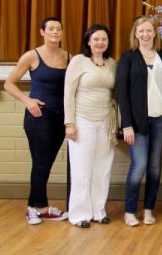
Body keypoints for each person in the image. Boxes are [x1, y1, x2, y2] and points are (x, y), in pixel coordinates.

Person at [4, 17, 69, 224]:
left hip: (61, 117)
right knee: (41, 162)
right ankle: (40, 207)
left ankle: (33, 207)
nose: (55, 32)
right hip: (39, 116)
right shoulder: (32, 56)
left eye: (58, 29)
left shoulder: (69, 57)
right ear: (42, 32)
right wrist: (27, 100)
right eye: (50, 29)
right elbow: (9, 84)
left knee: (46, 163)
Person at [116, 16, 162, 227]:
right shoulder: (128, 58)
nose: (145, 35)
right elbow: (121, 93)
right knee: (139, 165)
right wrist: (127, 125)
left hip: (160, 120)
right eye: (141, 31)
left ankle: (149, 209)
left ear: (155, 34)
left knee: (154, 167)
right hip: (137, 123)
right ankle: (130, 211)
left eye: (149, 31)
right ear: (135, 34)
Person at [64, 24, 117, 228]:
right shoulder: (78, 61)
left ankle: (98, 210)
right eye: (96, 39)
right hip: (82, 119)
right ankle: (79, 214)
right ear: (88, 41)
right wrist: (70, 123)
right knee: (81, 168)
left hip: (105, 120)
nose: (100, 42)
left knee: (103, 167)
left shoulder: (112, 63)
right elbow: (68, 93)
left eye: (104, 39)